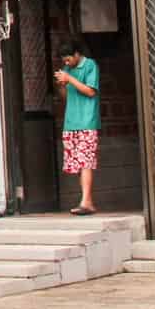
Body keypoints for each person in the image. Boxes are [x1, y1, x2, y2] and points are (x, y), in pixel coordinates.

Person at [54, 40, 100, 215]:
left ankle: (86, 201)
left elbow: (90, 91)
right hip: (71, 121)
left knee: (86, 161)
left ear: (77, 54)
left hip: (87, 120)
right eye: (64, 61)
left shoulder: (90, 65)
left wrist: (70, 79)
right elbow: (66, 97)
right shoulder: (67, 71)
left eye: (68, 60)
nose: (66, 64)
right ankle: (87, 200)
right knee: (78, 164)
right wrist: (62, 85)